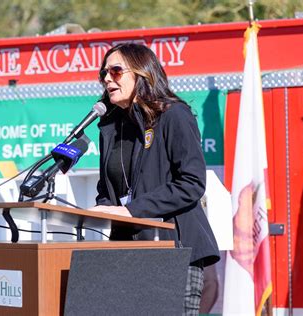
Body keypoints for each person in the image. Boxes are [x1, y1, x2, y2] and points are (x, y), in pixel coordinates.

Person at [89, 43, 220, 315]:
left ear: (142, 73)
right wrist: (104, 209)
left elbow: (191, 184)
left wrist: (130, 210)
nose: (107, 79)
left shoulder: (173, 115)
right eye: (103, 73)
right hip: (127, 254)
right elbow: (107, 189)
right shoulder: (110, 128)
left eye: (115, 71)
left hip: (174, 249)